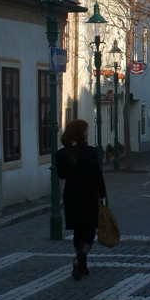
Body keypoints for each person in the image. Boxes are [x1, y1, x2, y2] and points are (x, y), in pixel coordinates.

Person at [56, 119, 107, 281]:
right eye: (86, 130)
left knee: (78, 230)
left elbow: (61, 175)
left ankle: (82, 264)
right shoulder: (91, 152)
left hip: (71, 194)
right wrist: (102, 194)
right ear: (81, 134)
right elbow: (97, 175)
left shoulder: (61, 154)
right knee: (89, 230)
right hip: (89, 194)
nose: (87, 133)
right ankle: (81, 257)